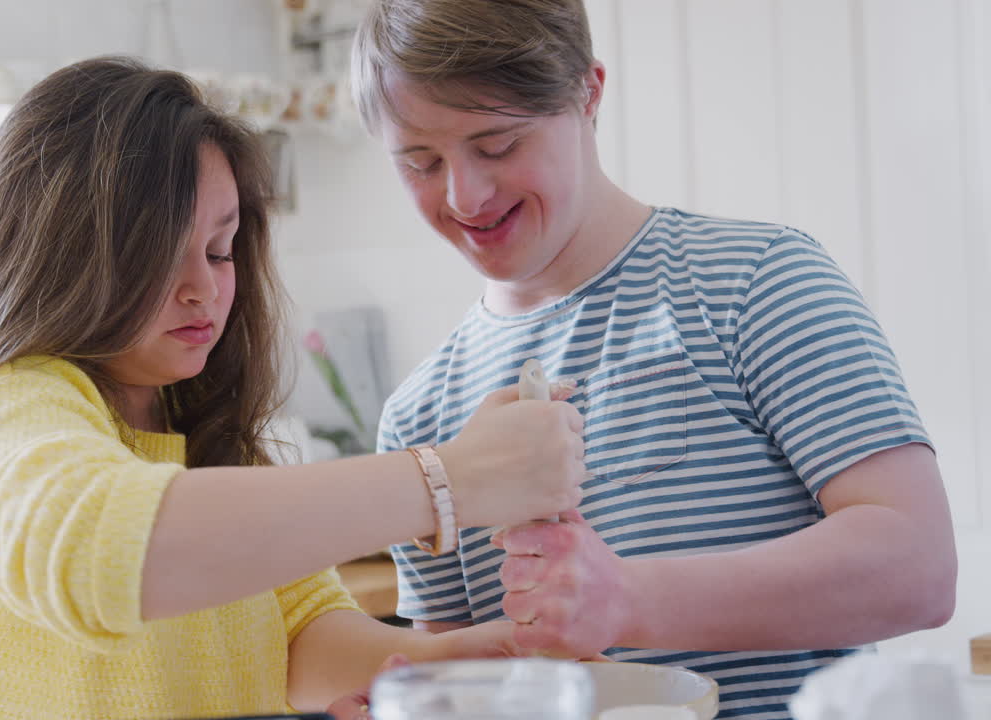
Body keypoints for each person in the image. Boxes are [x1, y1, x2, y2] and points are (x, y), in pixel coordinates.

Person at [0, 56, 590, 720]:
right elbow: (100, 552)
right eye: (157, 257)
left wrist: (435, 666)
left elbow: (296, 629)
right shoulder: (0, 406)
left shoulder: (193, 428)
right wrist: (449, 479)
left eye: (219, 251)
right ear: (57, 258)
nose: (203, 291)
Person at [349, 1, 958, 718]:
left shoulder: (754, 281)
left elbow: (919, 569)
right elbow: (459, 686)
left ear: (588, 92)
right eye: (420, 162)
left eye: (498, 145)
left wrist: (628, 599)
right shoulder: (419, 416)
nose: (464, 195)